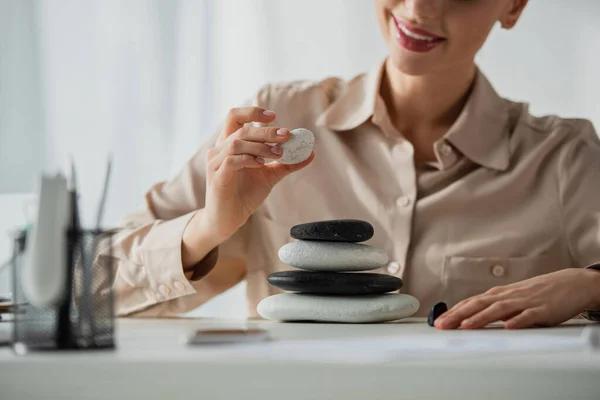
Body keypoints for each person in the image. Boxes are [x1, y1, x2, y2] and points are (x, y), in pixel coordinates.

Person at [106, 0, 600, 329]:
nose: (420, 7)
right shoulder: (275, 123)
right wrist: (209, 227)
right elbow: (90, 283)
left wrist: (592, 284)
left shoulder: (563, 157)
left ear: (512, 5)